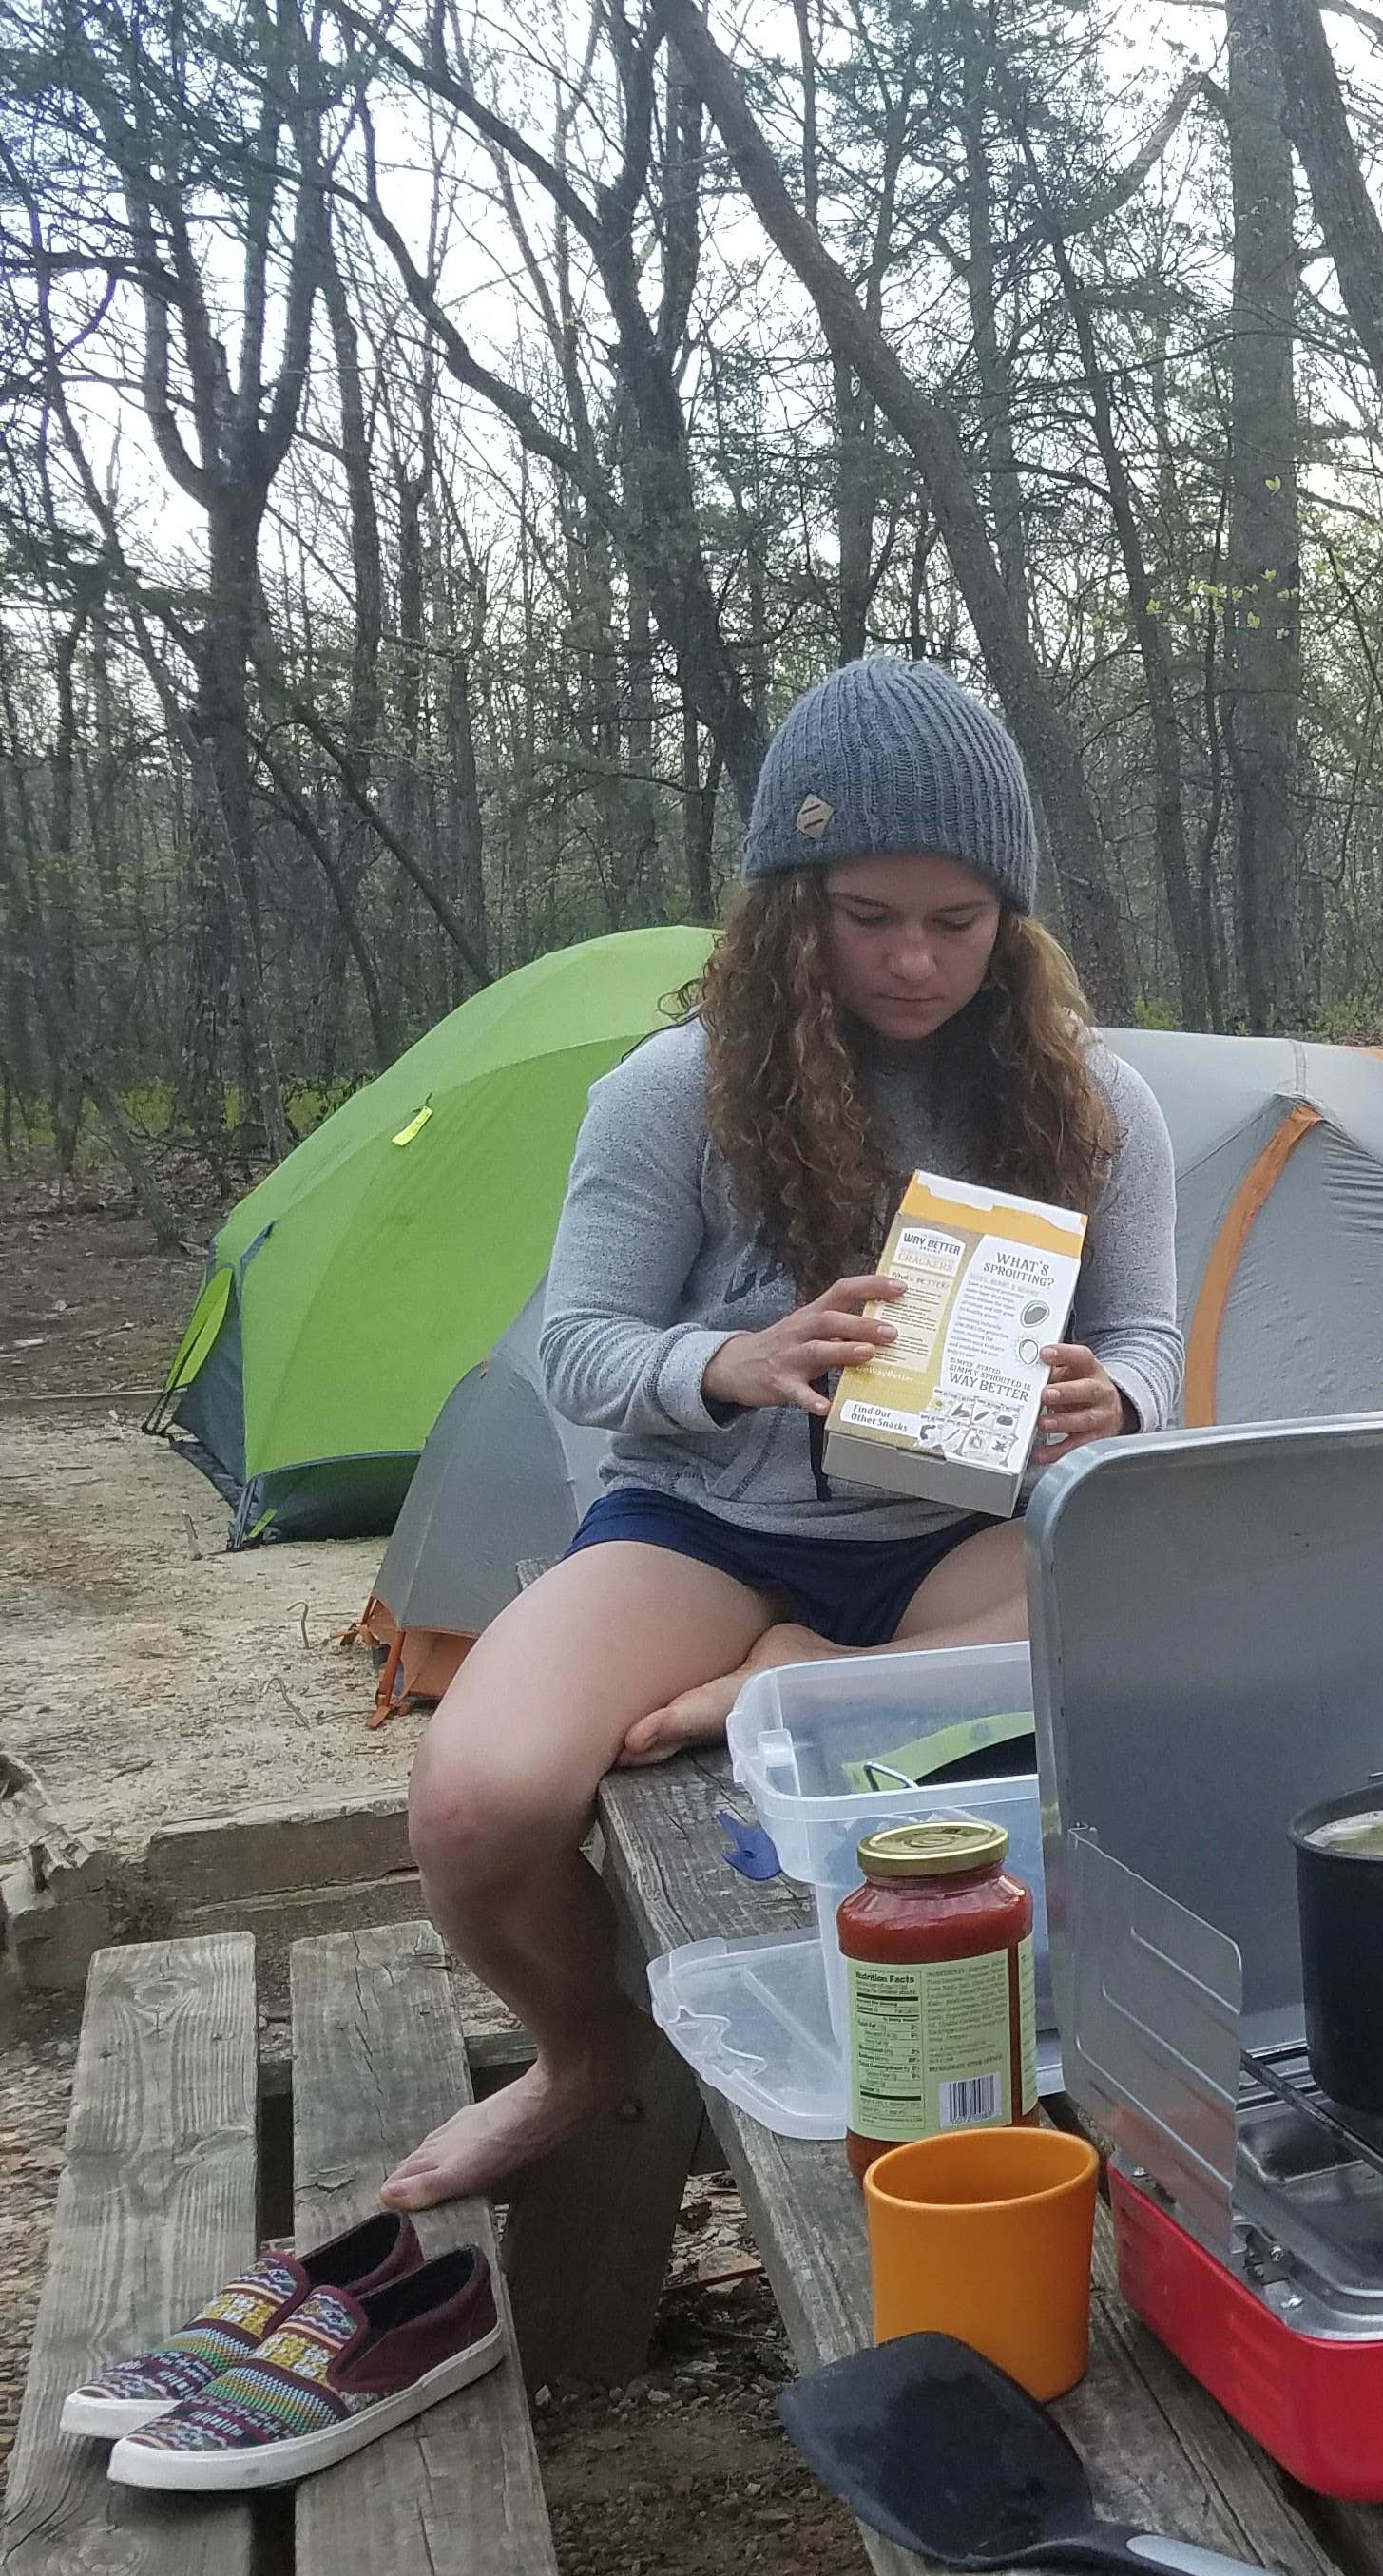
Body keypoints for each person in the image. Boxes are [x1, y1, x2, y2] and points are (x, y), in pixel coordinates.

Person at [381, 659, 1182, 2212]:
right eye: (868, 916)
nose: (913, 961)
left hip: (964, 1536)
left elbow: (1150, 1340)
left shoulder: (1099, 1105)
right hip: (703, 1535)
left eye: (958, 924)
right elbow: (580, 1348)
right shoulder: (670, 1094)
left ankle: (822, 1678)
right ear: (788, 907)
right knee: (478, 1801)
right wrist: (731, 1362)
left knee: (1187, 1623)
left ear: (1011, 923)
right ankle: (580, 2056)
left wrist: (1119, 1396)